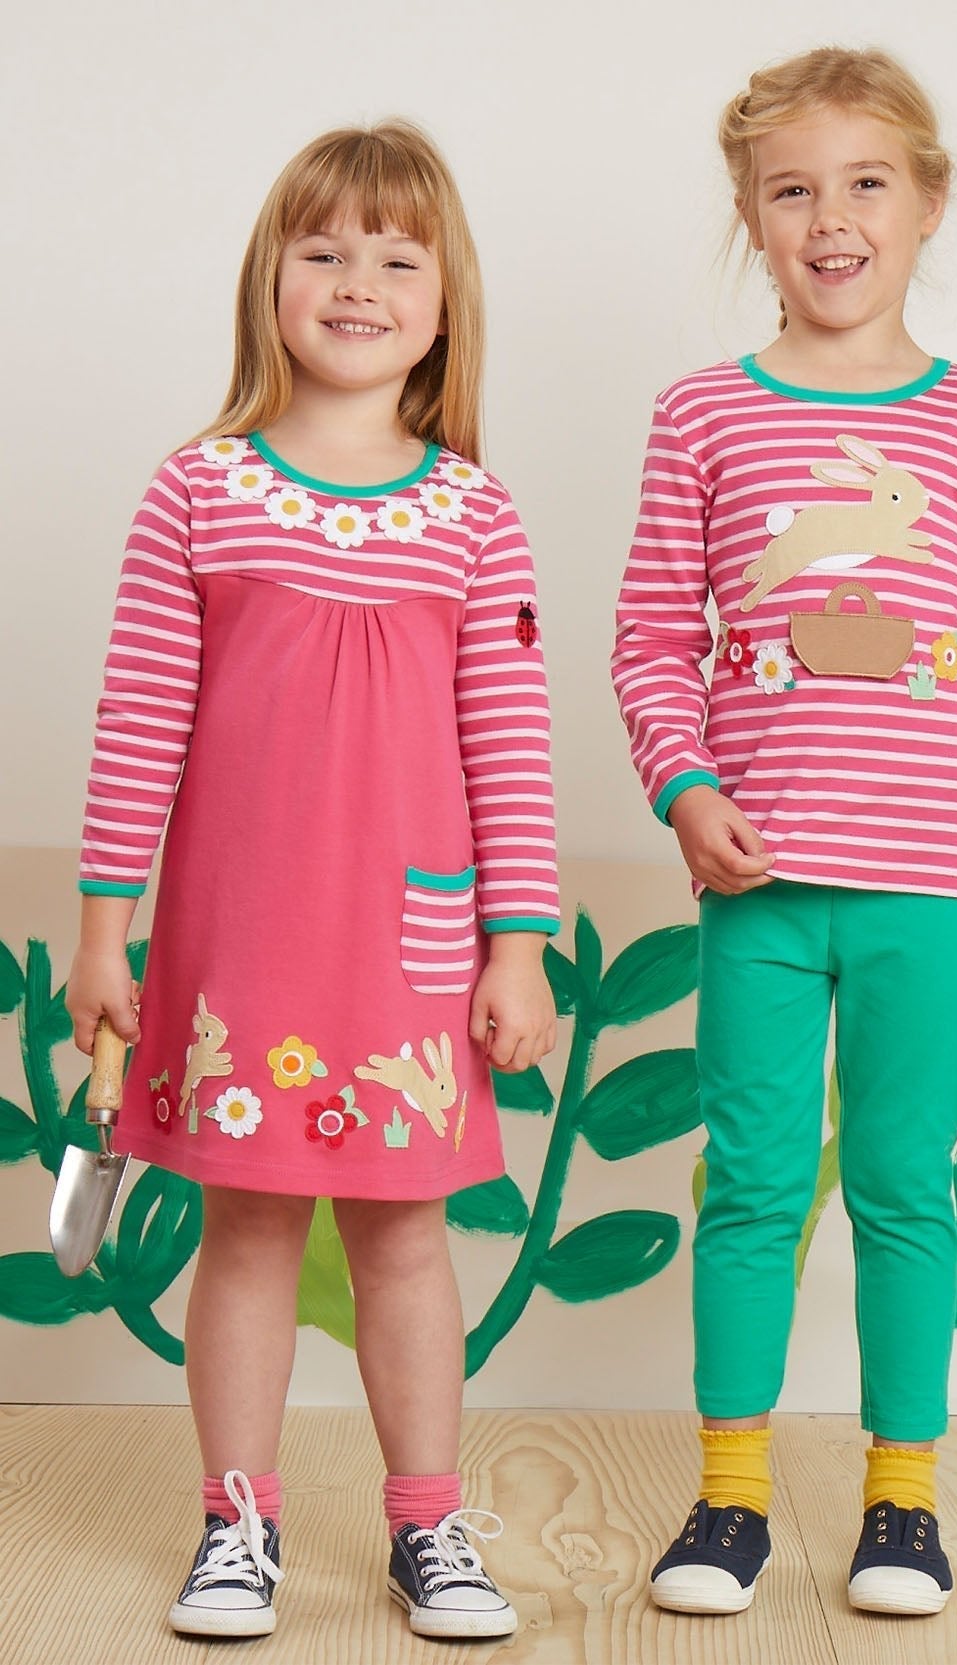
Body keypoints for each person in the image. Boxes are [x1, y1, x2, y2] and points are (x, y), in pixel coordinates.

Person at [611, 46, 957, 1620]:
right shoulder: (704, 412)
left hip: (924, 873)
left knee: (906, 1186)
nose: (830, 220)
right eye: (793, 191)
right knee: (755, 1186)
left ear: (926, 205)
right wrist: (686, 790)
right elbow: (654, 641)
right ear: (751, 219)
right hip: (760, 874)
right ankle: (730, 1499)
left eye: (865, 185)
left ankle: (903, 1502)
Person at [66, 120, 560, 1643]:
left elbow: (510, 745)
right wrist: (103, 932)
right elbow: (139, 722)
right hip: (241, 949)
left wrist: (518, 945)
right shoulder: (198, 490)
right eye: (325, 250)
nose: (358, 283)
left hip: (411, 953)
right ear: (268, 281)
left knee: (406, 1237)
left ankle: (429, 1527)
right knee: (249, 1233)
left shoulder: (473, 514)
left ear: (444, 303)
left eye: (398, 259)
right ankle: (238, 1525)